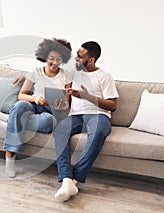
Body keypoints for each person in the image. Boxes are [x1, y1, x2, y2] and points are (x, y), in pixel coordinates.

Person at [53, 41, 119, 201]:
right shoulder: (73, 73)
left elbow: (112, 105)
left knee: (98, 132)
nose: (76, 58)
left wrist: (87, 96)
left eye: (80, 56)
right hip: (76, 115)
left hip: (98, 115)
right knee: (60, 129)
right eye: (77, 54)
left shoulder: (105, 76)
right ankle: (67, 179)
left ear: (91, 60)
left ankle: (75, 179)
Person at [4, 38, 72, 178]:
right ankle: (10, 155)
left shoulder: (66, 76)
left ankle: (13, 119)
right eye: (51, 58)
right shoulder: (35, 72)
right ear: (45, 56)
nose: (55, 62)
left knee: (49, 122)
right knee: (19, 106)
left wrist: (62, 105)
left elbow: (67, 103)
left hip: (50, 112)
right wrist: (35, 98)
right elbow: (22, 95)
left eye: (59, 59)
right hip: (32, 105)